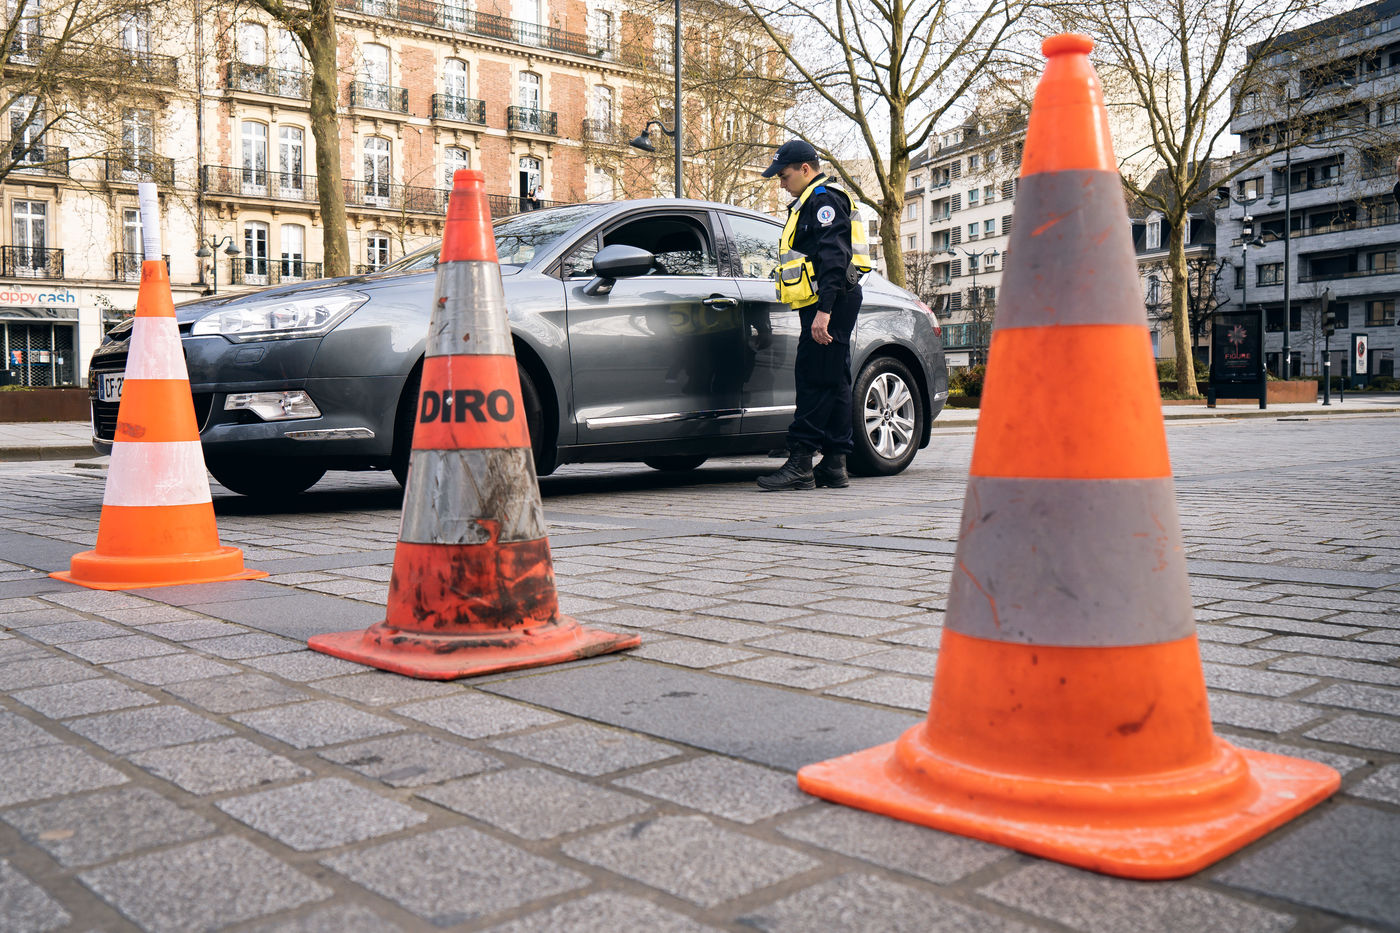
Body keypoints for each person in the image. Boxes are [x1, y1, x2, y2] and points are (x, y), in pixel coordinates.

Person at [756, 139, 872, 492]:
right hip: (831, 298)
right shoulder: (812, 199)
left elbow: (834, 258)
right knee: (834, 378)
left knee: (814, 377)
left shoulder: (823, 201)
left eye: (784, 175)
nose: (781, 183)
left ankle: (801, 462)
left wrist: (824, 311)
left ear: (805, 169)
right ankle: (835, 464)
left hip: (831, 299)